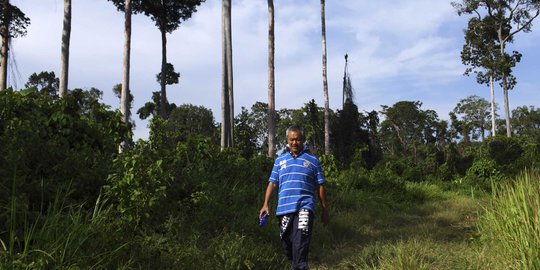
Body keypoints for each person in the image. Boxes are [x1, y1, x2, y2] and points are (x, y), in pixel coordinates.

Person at [259, 125, 329, 270]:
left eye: (297, 139)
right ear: (287, 141)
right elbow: (272, 183)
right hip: (284, 209)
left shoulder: (313, 160)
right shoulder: (280, 160)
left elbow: (320, 186)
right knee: (287, 243)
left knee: (301, 243)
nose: (294, 143)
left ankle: (300, 265)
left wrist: (325, 209)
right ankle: (296, 263)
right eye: (291, 140)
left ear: (303, 140)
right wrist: (265, 204)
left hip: (305, 207)